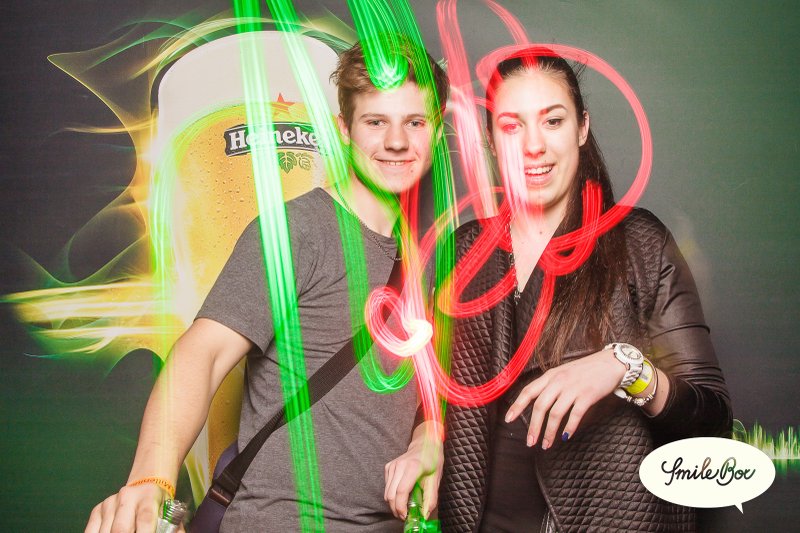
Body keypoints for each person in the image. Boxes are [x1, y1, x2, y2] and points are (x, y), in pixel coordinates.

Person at [85, 38, 448, 533]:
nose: (397, 142)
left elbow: (416, 396)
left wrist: (427, 439)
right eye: (376, 122)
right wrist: (151, 479)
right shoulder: (299, 230)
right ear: (344, 129)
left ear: (437, 130)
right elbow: (203, 353)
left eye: (415, 122)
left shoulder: (424, 259)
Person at [437, 48, 732, 532]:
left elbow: (711, 419)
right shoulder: (465, 251)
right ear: (491, 140)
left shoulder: (638, 244)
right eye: (512, 126)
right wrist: (421, 439)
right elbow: (437, 398)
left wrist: (626, 368)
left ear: (581, 128)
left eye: (552, 121)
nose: (534, 146)